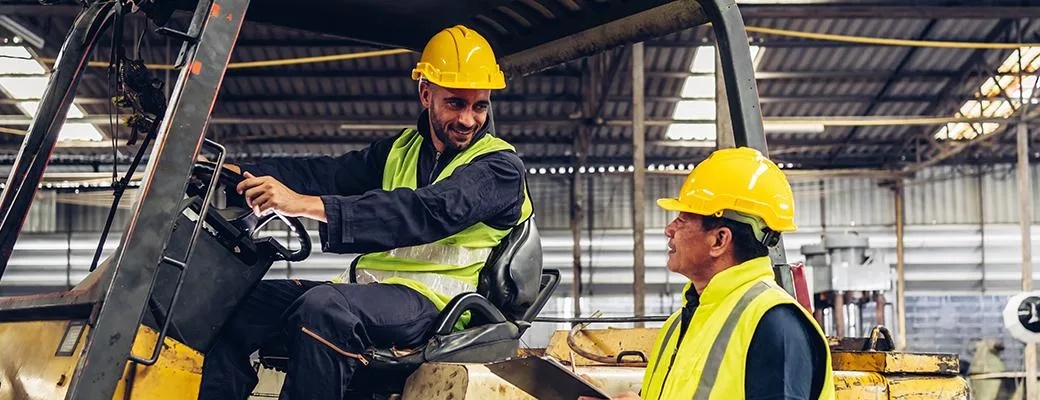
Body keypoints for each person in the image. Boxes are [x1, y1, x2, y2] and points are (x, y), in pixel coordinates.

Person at [198, 25, 532, 400]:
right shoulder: (400, 151)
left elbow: (426, 211)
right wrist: (237, 172)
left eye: (479, 106)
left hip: (437, 307)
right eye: (455, 103)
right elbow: (327, 174)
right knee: (230, 306)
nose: (469, 119)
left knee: (323, 310)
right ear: (427, 93)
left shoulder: (499, 168)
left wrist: (302, 204)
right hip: (374, 295)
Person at [583, 147, 834, 400]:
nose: (669, 229)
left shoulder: (775, 324)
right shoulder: (679, 324)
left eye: (682, 220)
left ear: (719, 240)